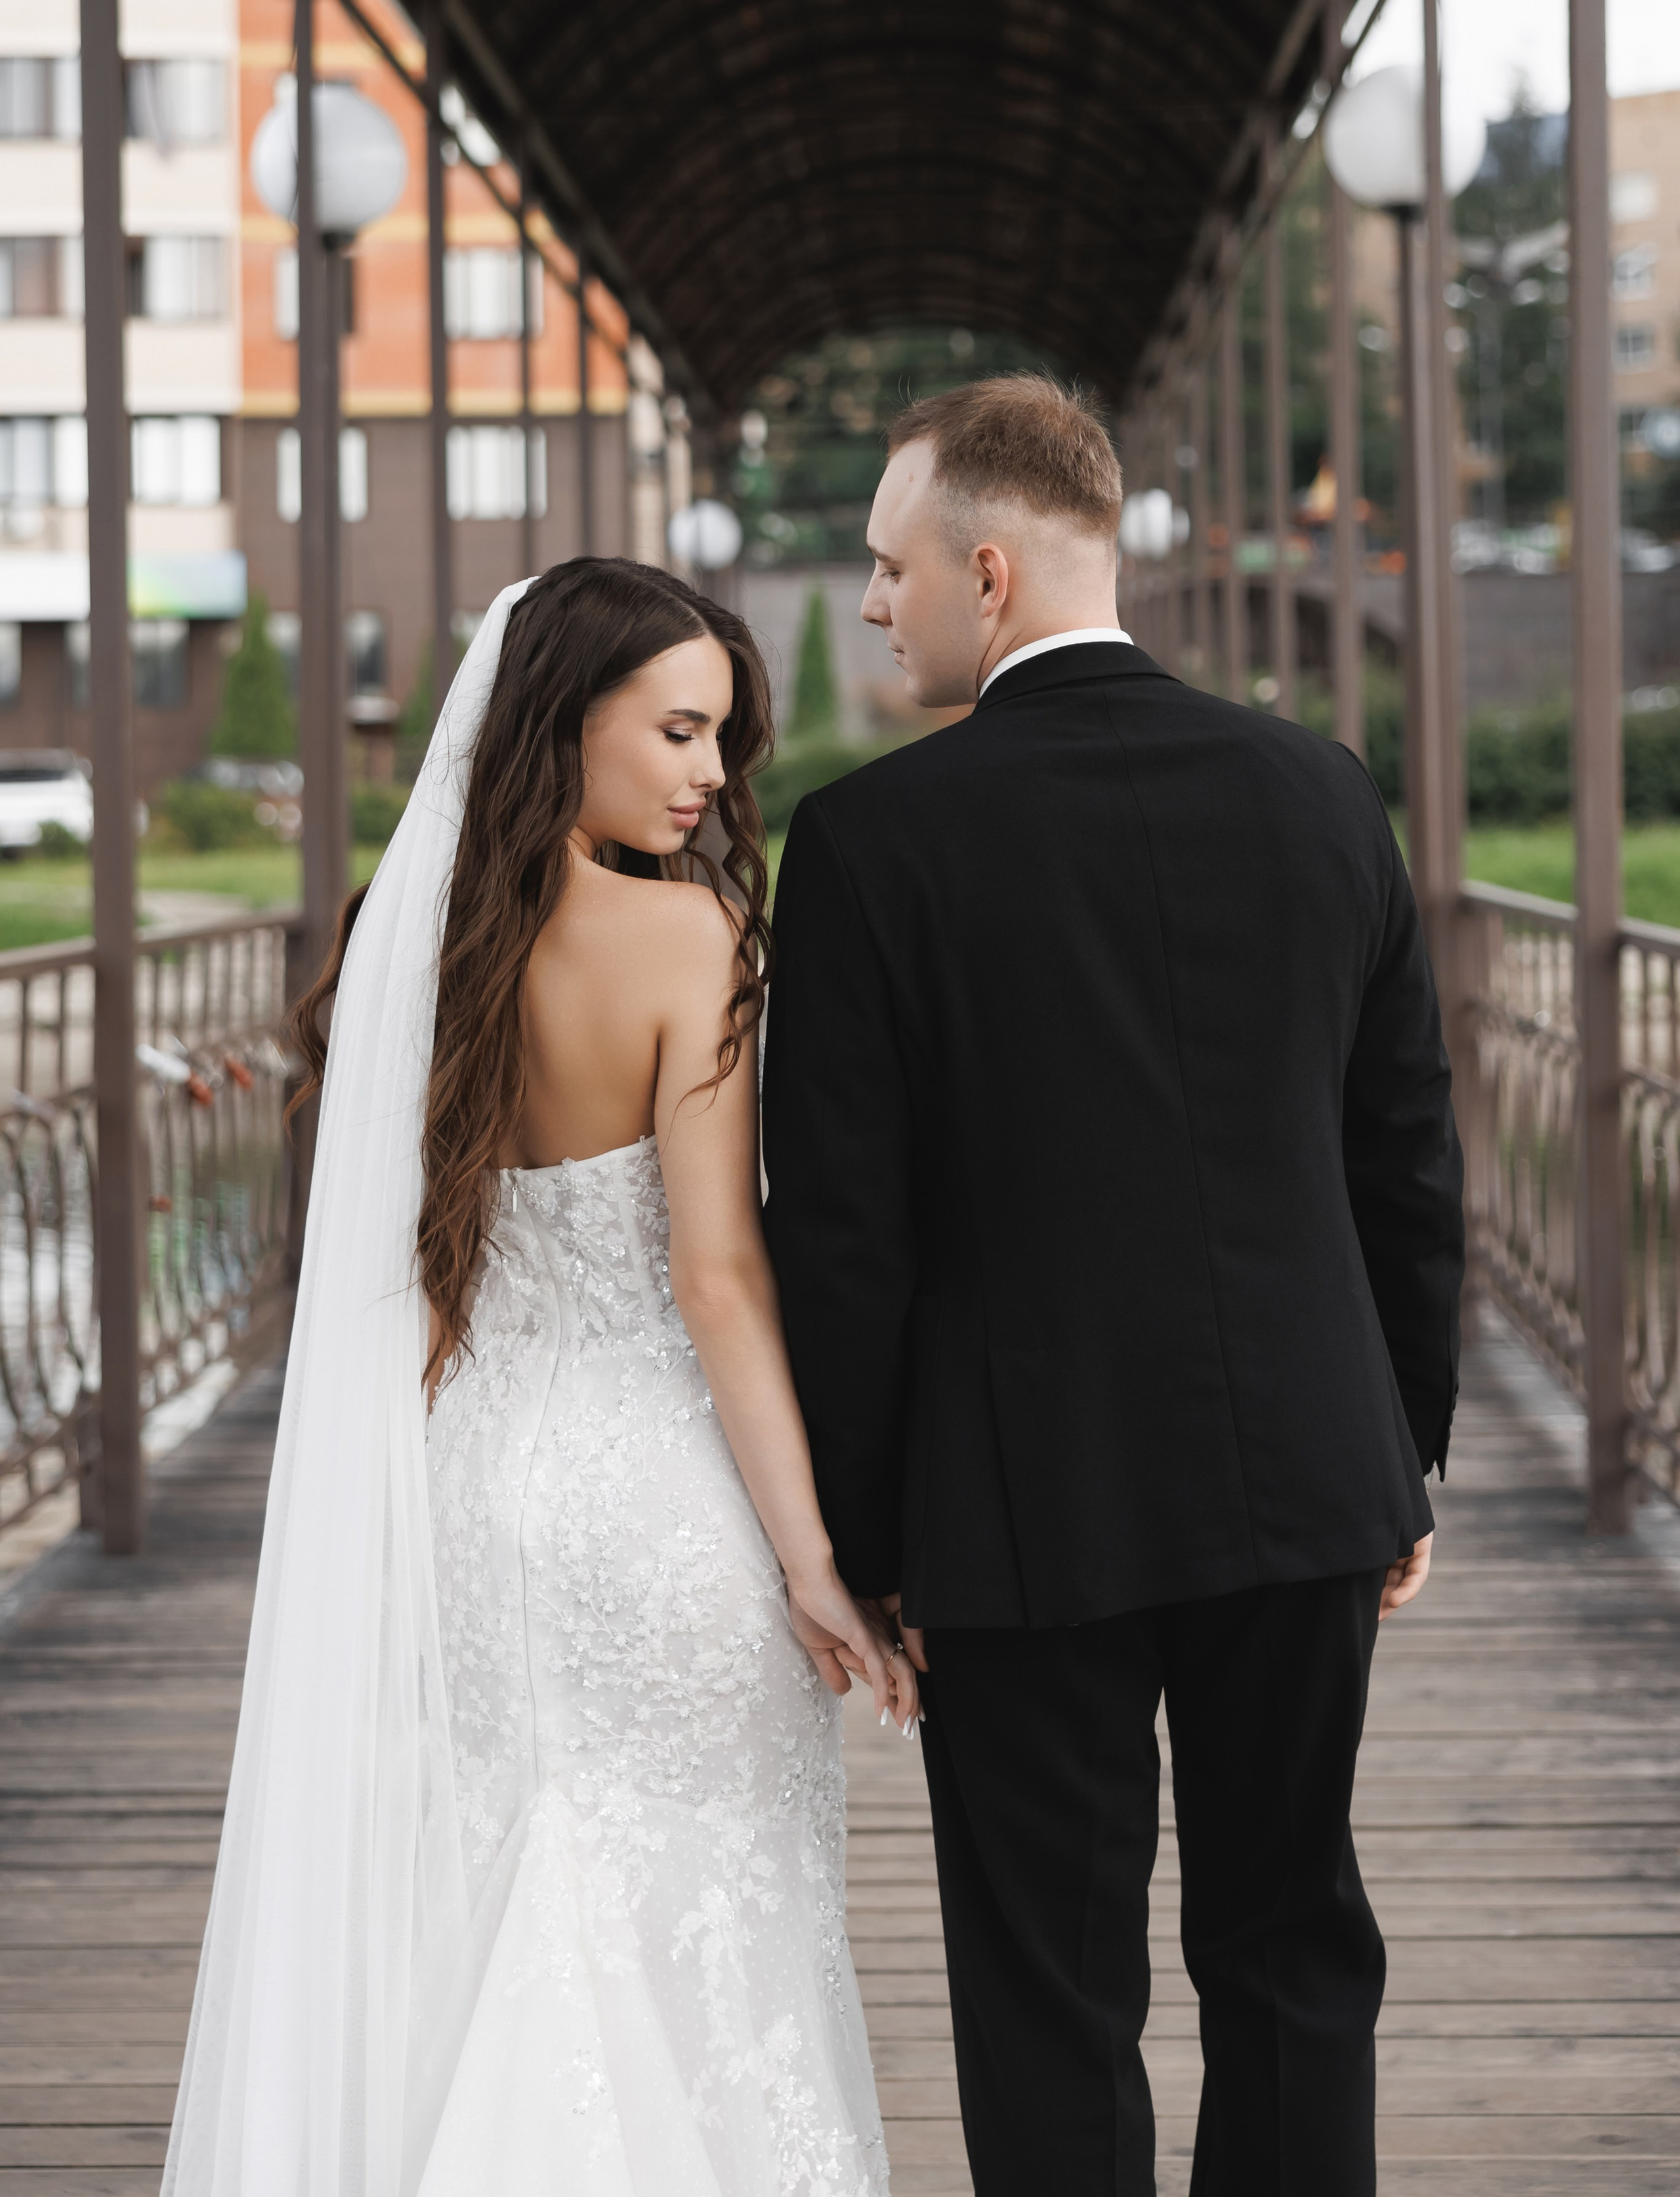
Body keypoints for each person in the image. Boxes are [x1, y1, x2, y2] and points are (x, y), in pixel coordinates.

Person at [762, 374, 1463, 2197]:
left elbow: (844, 1236)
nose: (869, 603)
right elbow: (1405, 1156)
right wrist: (1408, 1452)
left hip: (1017, 1510)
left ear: (986, 571)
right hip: (1307, 1473)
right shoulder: (1324, 795)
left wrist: (862, 1535)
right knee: (1293, 1941)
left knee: (1047, 1985)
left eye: (886, 565)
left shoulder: (867, 845)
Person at [163, 560, 915, 2197]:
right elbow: (716, 1280)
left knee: (501, 1897)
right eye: (678, 729)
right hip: (657, 1506)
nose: (713, 774)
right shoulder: (686, 936)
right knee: (695, 1922)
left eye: (722, 736)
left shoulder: (403, 946)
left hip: (464, 1497)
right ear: (556, 727)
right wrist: (816, 1563)